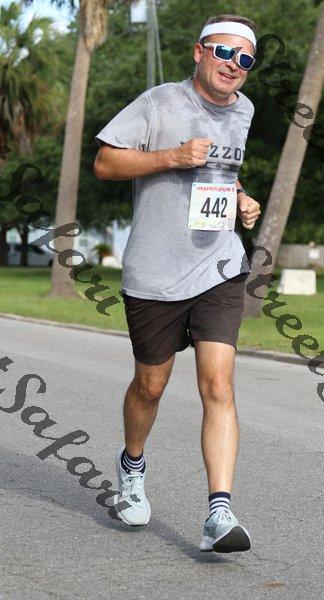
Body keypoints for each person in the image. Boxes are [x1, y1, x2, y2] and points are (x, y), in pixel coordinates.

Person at [93, 13, 261, 553]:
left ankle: (219, 514)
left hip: (219, 266)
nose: (233, 64)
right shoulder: (160, 102)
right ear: (199, 51)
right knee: (150, 386)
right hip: (155, 272)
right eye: (223, 52)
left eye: (244, 58)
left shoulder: (244, 110)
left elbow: (223, 171)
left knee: (218, 386)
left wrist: (241, 198)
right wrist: (170, 156)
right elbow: (104, 163)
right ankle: (132, 466)